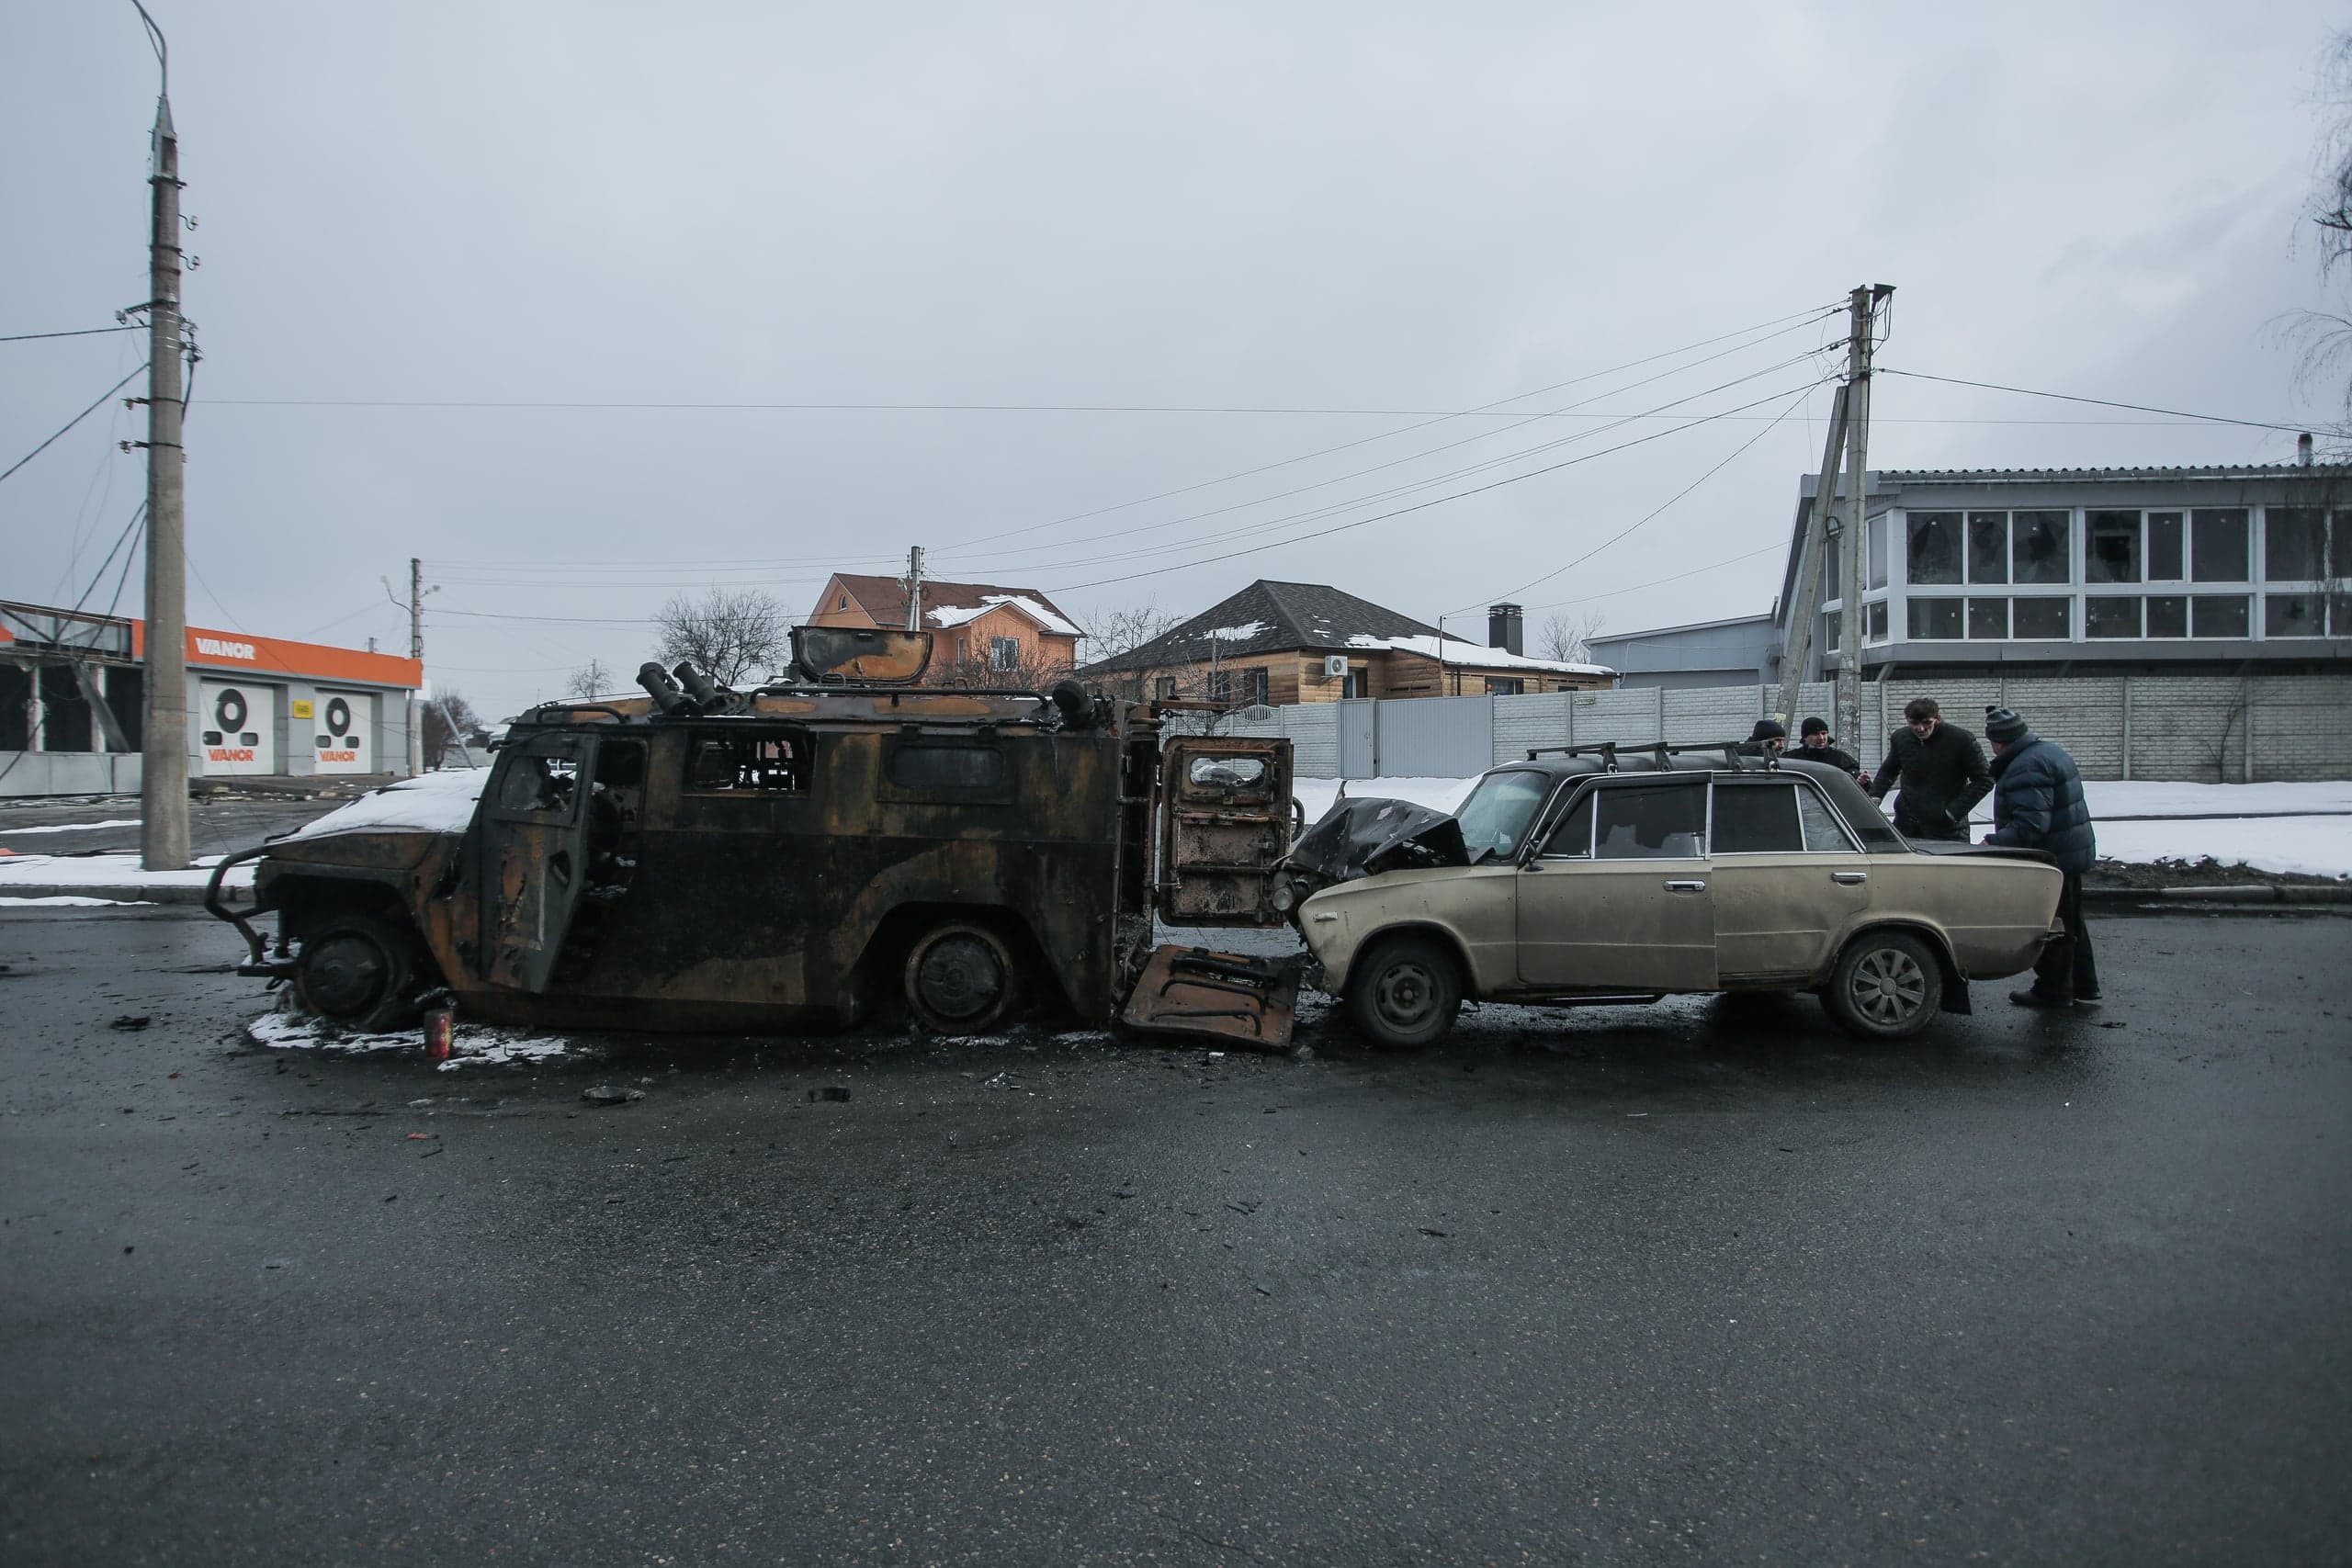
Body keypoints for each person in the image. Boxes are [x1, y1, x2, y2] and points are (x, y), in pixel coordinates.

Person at [1981, 705, 2099, 1008]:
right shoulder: (2045, 752)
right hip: (2067, 854)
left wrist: (1993, 842)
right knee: (2071, 923)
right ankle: (2084, 986)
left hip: (2052, 862)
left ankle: (2053, 990)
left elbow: (2031, 825)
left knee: (2053, 926)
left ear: (1997, 742)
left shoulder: (2026, 766)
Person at [1869, 696, 1992, 842]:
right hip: (1906, 825)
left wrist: (1952, 812)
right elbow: (1888, 770)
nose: (1920, 729)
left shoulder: (1961, 740)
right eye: (1913, 723)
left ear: (1938, 719)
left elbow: (1985, 779)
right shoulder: (1901, 738)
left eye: (1926, 723)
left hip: (1947, 830)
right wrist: (1875, 797)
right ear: (1907, 720)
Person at [1790, 716, 1865, 784]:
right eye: (1816, 734)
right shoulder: (1792, 758)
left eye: (1823, 733)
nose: (1821, 738)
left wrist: (1861, 781)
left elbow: (1855, 780)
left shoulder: (1840, 758)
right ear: (1805, 737)